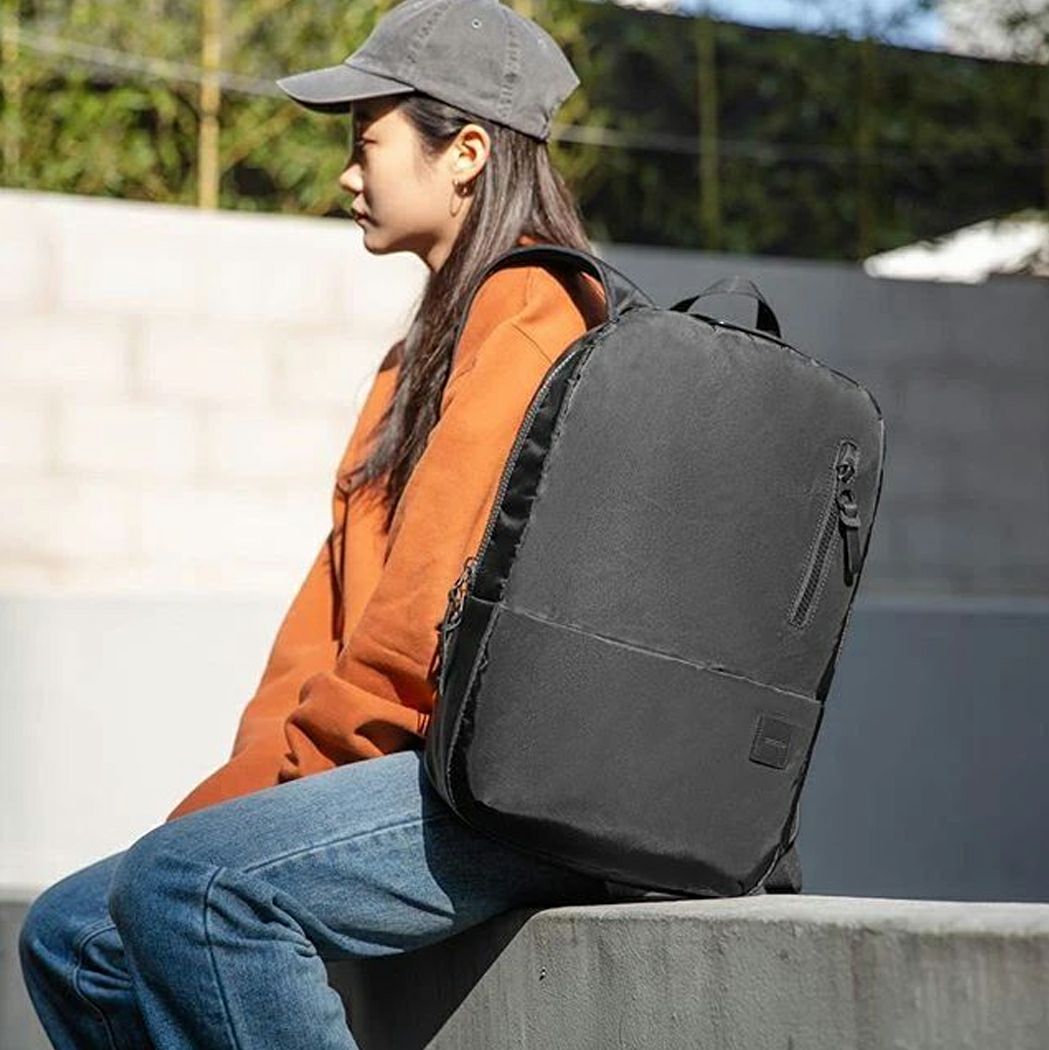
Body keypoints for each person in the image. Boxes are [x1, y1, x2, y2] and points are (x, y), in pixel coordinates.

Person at [17, 2, 614, 1047]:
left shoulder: (533, 319)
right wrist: (240, 796)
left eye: (366, 140)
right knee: (71, 932)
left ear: (466, 153)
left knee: (191, 888)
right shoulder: (415, 356)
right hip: (411, 776)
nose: (345, 174)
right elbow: (327, 624)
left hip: (502, 795)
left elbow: (413, 631)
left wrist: (235, 829)